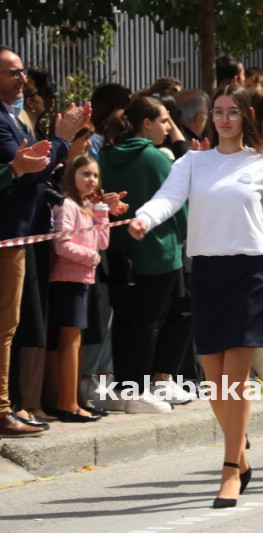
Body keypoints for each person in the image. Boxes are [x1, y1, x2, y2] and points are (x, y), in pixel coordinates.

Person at [129, 83, 263, 507]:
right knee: (215, 383)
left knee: (235, 377)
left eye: (233, 111)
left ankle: (229, 470)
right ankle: (240, 457)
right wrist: (143, 219)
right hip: (208, 273)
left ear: (246, 116)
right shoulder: (194, 161)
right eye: (219, 112)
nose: (225, 119)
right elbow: (168, 199)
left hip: (252, 273)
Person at [0, 45, 91, 437]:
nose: (22, 78)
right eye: (12, 72)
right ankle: (3, 409)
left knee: (9, 325)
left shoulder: (14, 117)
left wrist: (61, 143)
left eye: (22, 71)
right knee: (5, 327)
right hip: (6, 236)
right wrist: (61, 139)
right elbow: (28, 172)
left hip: (19, 236)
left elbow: (35, 174)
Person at [99, 95, 187, 414]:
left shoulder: (105, 156)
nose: (168, 127)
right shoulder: (155, 158)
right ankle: (139, 390)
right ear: (146, 123)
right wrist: (184, 236)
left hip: (118, 251)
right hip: (158, 252)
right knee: (150, 322)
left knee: (125, 320)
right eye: (163, 120)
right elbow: (179, 205)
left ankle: (123, 388)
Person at [50, 156, 111, 423]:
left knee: (79, 342)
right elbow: (61, 245)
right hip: (68, 280)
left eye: (95, 175)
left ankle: (74, 400)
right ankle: (67, 404)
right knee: (70, 341)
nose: (92, 180)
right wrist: (91, 258)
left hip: (85, 279)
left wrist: (101, 209)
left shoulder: (87, 207)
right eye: (85, 174)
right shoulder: (67, 205)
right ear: (72, 176)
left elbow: (103, 242)